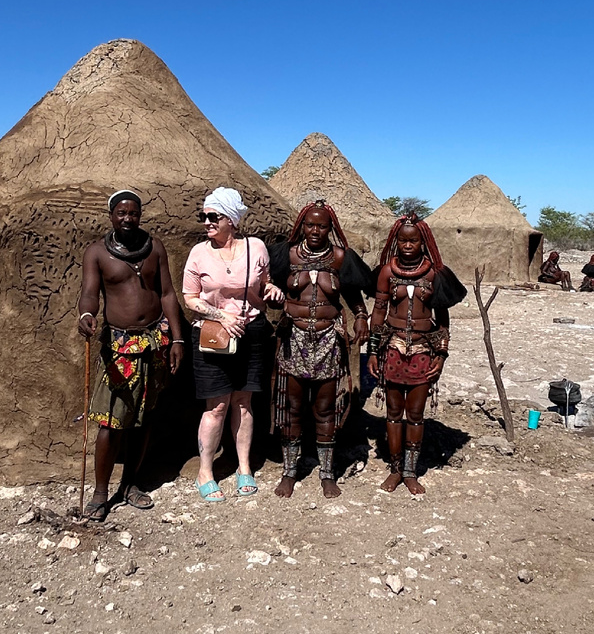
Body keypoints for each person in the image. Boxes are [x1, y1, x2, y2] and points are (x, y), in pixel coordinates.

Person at [77, 190, 185, 520]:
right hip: (119, 346)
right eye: (121, 213)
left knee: (144, 418)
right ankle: (99, 493)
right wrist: (86, 315)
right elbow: (89, 294)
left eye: (133, 212)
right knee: (111, 423)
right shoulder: (97, 252)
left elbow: (167, 294)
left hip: (154, 341)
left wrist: (178, 340)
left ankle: (130, 484)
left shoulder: (154, 248)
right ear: (111, 215)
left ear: (140, 214)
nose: (127, 218)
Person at [182, 187, 283, 502]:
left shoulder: (256, 248)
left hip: (252, 332)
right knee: (217, 406)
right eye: (204, 217)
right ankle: (206, 471)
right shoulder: (199, 253)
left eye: (214, 216)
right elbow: (190, 298)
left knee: (243, 402)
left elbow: (264, 280)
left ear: (232, 220)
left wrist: (272, 290)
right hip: (214, 333)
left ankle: (243, 468)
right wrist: (220, 315)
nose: (207, 222)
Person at [268, 201, 373, 498]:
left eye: (322, 226)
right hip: (293, 341)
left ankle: (327, 473)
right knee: (291, 408)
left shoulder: (340, 258)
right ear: (302, 225)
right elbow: (267, 284)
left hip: (328, 341)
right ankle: (290, 472)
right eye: (310, 225)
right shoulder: (285, 255)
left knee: (325, 408)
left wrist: (362, 318)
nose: (316, 231)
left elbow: (353, 295)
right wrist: (273, 295)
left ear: (331, 228)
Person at [367, 214, 466, 495]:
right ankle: (396, 470)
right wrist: (372, 351)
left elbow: (443, 316)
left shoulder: (435, 274)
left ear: (424, 242)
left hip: (423, 350)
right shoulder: (387, 272)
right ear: (395, 242)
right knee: (393, 413)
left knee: (416, 415)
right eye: (403, 240)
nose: (408, 245)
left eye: (414, 240)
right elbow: (378, 312)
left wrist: (442, 355)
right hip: (393, 349)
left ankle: (411, 471)